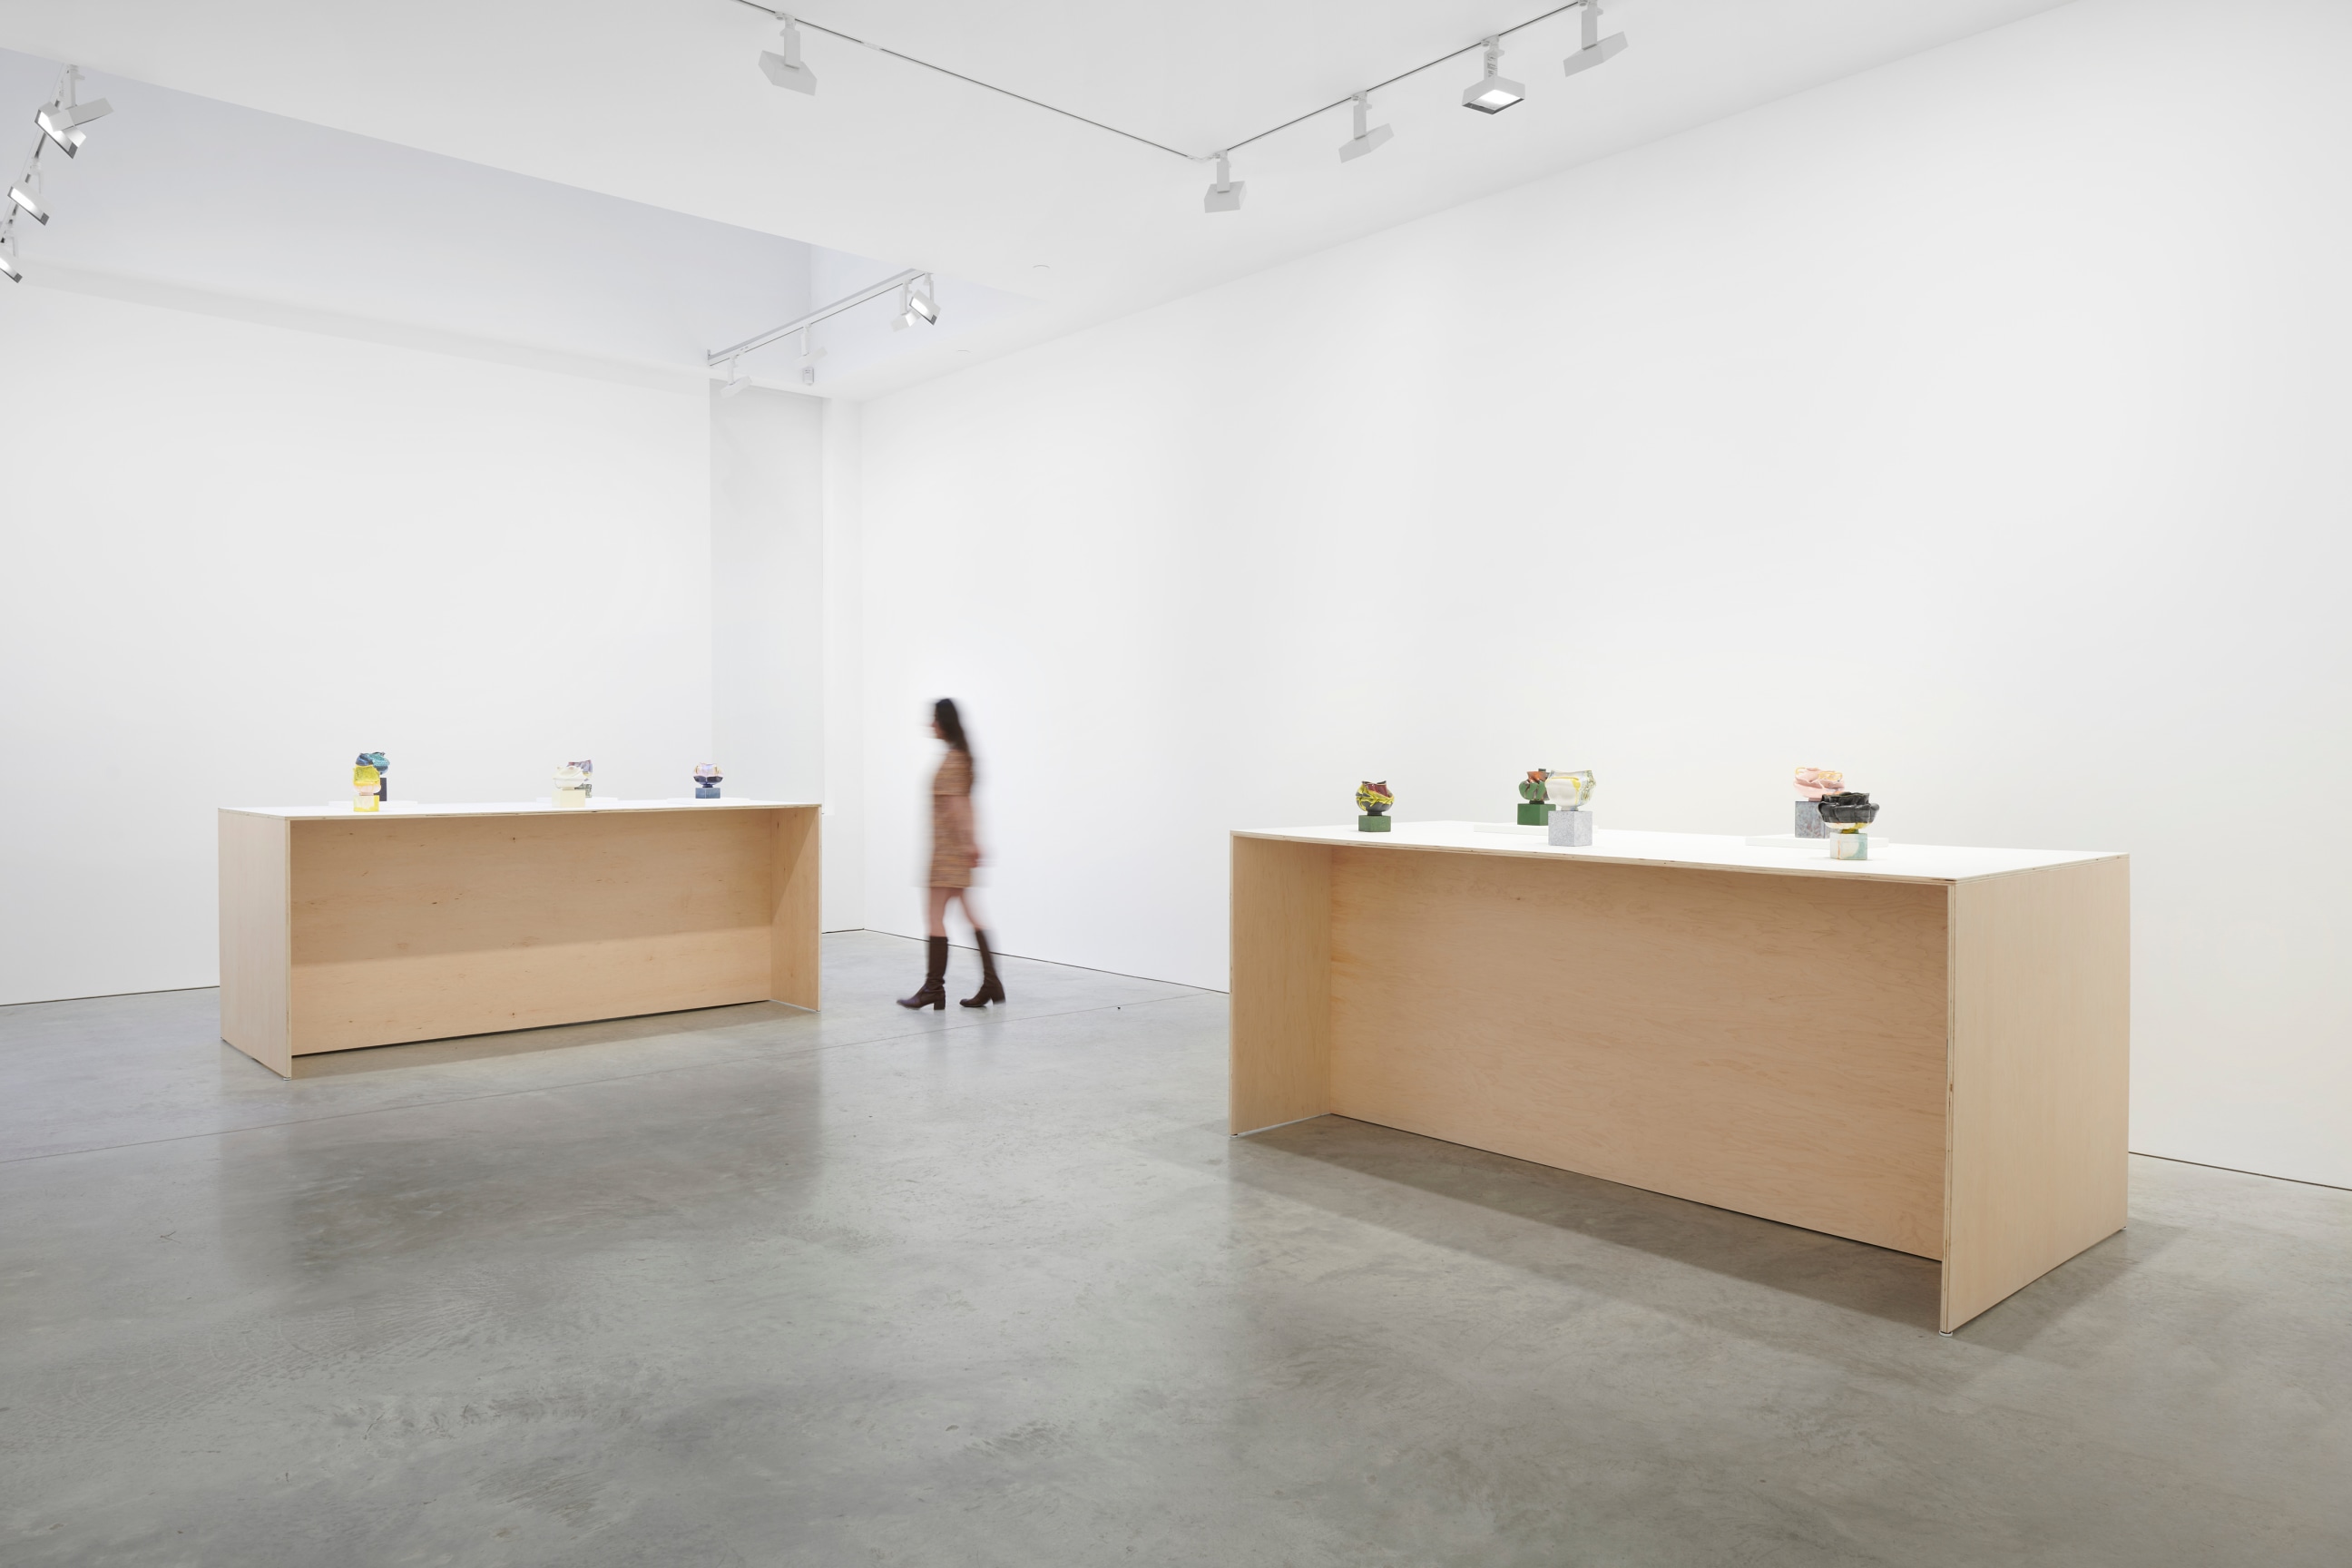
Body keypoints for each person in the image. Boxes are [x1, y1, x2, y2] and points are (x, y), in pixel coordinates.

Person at [899, 697, 1006, 1010]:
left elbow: (959, 807)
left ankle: (934, 989)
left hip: (947, 853)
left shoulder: (953, 761)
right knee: (970, 913)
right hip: (954, 850)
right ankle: (991, 983)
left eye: (933, 718)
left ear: (944, 722)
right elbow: (967, 805)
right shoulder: (961, 757)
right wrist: (973, 843)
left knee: (934, 916)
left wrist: (970, 842)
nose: (929, 724)